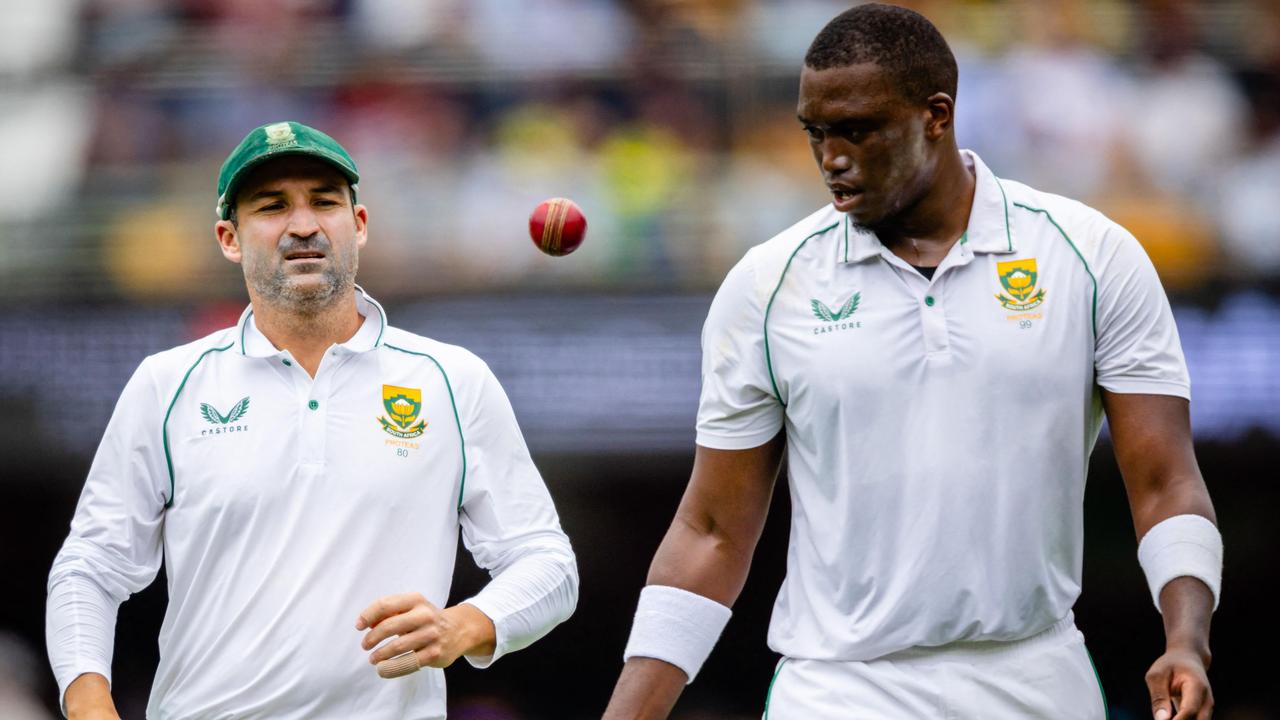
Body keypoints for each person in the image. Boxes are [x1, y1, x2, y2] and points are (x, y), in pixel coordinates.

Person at [602, 5, 1218, 720]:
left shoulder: (1091, 255)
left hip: (1035, 679)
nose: (831, 157)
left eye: (857, 130)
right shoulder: (767, 285)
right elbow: (710, 532)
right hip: (837, 689)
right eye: (816, 133)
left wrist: (1187, 640)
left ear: (937, 115)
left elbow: (1166, 481)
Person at [46, 121, 578, 720]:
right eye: (272, 206)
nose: (303, 225)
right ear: (229, 238)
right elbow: (89, 566)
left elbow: (548, 564)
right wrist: (89, 702)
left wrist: (466, 625)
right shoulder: (166, 384)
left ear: (360, 225)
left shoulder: (453, 380)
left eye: (324, 201)